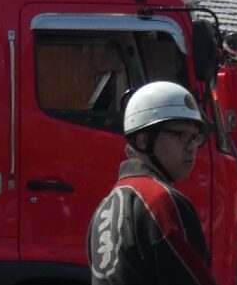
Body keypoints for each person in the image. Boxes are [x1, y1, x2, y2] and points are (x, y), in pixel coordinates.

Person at [87, 80, 217, 285]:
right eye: (182, 135)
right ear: (143, 140)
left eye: (195, 137)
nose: (192, 147)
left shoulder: (106, 206)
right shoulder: (159, 201)